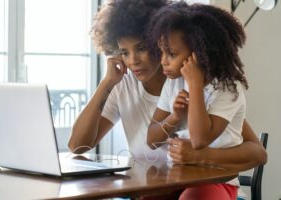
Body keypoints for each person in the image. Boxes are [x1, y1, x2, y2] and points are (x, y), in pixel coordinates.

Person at [68, 0, 266, 198]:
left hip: (199, 187)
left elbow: (257, 153)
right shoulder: (124, 86)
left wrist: (202, 156)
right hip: (151, 190)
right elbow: (77, 146)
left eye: (142, 48)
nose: (133, 60)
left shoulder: (192, 83)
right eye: (124, 52)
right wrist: (107, 83)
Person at [146, 1, 260, 199]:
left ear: (198, 53)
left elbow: (199, 141)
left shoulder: (227, 88)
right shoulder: (173, 83)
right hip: (178, 178)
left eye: (171, 54)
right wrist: (174, 117)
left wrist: (195, 84)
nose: (163, 61)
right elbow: (151, 140)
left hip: (216, 181)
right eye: (162, 52)